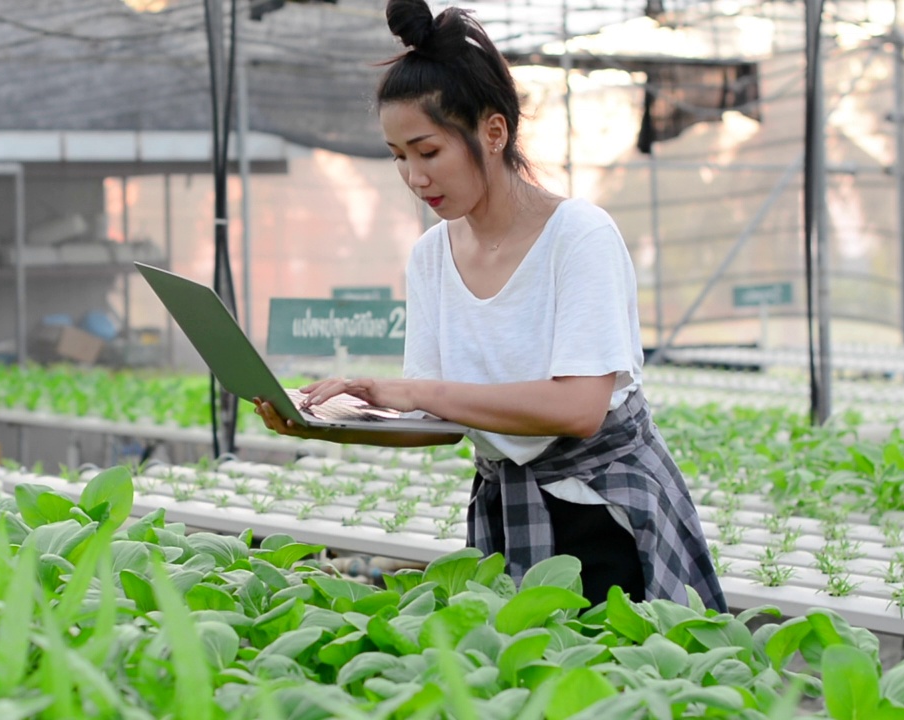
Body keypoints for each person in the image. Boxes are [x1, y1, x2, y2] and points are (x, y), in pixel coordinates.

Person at [253, 0, 726, 612]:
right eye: (398, 156)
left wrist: (414, 391)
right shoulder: (430, 255)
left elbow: (579, 408)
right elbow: (443, 426)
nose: (414, 177)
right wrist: (333, 423)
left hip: (602, 511)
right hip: (505, 511)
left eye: (428, 151)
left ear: (493, 131)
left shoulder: (577, 236)